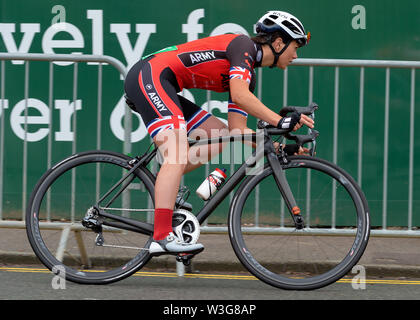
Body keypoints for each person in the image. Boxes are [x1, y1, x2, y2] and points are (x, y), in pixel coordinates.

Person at [124, 10, 314, 255]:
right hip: (150, 76)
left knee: (222, 135)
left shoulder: (249, 74)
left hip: (163, 82)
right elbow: (240, 95)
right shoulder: (243, 46)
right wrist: (280, 121)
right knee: (177, 154)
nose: (295, 55)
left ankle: (165, 185)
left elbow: (238, 130)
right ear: (278, 42)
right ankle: (160, 237)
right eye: (294, 47)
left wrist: (280, 148)